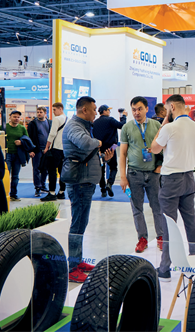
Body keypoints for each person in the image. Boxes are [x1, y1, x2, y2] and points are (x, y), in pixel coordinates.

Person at [150, 94, 195, 282]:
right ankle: (194, 259)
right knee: (190, 220)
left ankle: (165, 269)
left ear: (172, 107)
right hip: (189, 177)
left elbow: (154, 148)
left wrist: (164, 123)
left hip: (171, 179)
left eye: (167, 109)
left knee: (168, 223)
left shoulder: (169, 128)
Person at [62, 96, 114, 282]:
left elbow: (85, 151)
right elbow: (84, 143)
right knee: (77, 225)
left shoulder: (84, 126)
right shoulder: (74, 126)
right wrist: (98, 142)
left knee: (81, 223)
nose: (95, 113)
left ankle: (78, 261)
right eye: (93, 110)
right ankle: (72, 268)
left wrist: (103, 158)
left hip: (85, 181)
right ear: (84, 110)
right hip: (79, 183)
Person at [119, 96, 165, 253]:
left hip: (153, 174)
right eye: (133, 110)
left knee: (157, 206)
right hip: (134, 174)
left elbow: (162, 148)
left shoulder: (156, 125)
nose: (136, 112)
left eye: (139, 109)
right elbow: (122, 154)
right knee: (136, 208)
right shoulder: (127, 128)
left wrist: (159, 166)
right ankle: (142, 239)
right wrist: (123, 177)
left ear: (147, 109)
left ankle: (161, 237)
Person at [92, 104, 124, 197]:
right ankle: (109, 183)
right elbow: (122, 126)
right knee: (113, 167)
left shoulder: (95, 122)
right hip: (111, 148)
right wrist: (123, 116)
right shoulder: (110, 120)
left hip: (99, 149)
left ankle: (103, 190)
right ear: (104, 111)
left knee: (101, 169)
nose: (109, 112)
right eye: (108, 110)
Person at [0, 110, 28, 202]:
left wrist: (21, 142)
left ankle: (13, 194)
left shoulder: (22, 128)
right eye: (14, 117)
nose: (16, 119)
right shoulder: (4, 127)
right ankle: (4, 193)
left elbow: (27, 140)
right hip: (7, 154)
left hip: (18, 155)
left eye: (18, 117)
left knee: (15, 176)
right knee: (6, 174)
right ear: (10, 117)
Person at [41, 103, 68, 202]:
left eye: (54, 110)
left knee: (52, 171)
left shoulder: (57, 119)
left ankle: (52, 192)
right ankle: (61, 192)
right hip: (65, 149)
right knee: (62, 172)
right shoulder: (68, 119)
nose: (53, 112)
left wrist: (47, 147)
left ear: (60, 109)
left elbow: (52, 134)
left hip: (56, 148)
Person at [28, 106, 52, 196]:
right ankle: (37, 187)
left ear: (45, 113)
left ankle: (43, 185)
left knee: (45, 169)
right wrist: (31, 150)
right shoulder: (33, 124)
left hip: (47, 149)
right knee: (36, 169)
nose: (39, 114)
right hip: (37, 150)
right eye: (38, 112)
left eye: (41, 112)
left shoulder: (49, 122)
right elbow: (30, 137)